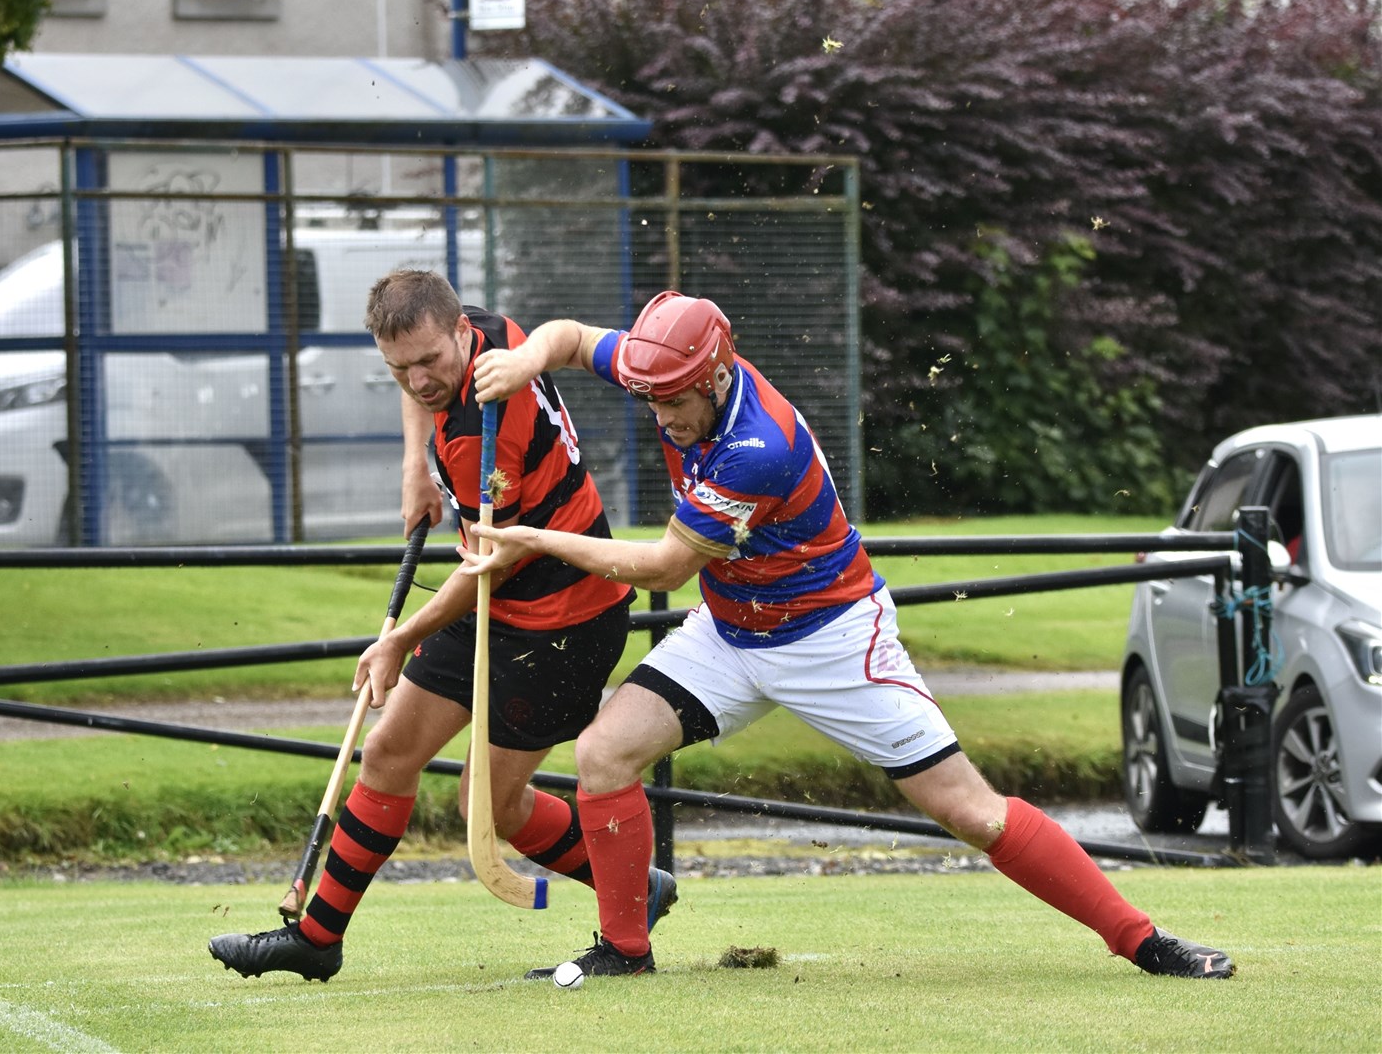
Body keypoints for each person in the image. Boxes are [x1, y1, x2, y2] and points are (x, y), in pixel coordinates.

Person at [461, 290, 1236, 981]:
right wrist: (524, 358)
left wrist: (534, 539)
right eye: (651, 400)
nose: (662, 419)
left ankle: (1142, 940)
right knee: (603, 754)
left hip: (832, 638)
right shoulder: (664, 361)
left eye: (672, 404)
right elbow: (563, 334)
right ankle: (625, 952)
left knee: (971, 812)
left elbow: (663, 568)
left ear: (714, 375)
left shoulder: (755, 448)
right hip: (732, 633)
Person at [208, 270, 676, 983]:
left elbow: (483, 566)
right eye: (398, 367)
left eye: (429, 361)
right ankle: (316, 938)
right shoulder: (484, 335)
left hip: (563, 619)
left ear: (459, 331)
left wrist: (397, 639)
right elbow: (422, 391)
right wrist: (411, 467)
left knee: (492, 808)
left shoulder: (481, 439)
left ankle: (636, 888)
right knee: (389, 749)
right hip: (498, 597)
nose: (418, 380)